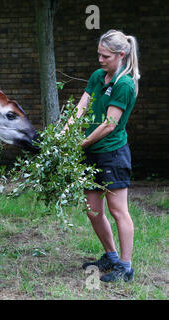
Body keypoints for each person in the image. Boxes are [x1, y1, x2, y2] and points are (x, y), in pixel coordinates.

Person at [63, 29, 140, 282]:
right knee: (93, 210)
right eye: (98, 54)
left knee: (118, 211)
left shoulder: (125, 84)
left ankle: (125, 268)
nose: (100, 60)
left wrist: (81, 143)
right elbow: (82, 107)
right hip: (90, 152)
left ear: (121, 54)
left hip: (112, 154)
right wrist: (65, 133)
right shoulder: (98, 76)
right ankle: (111, 256)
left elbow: (109, 124)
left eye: (105, 56)